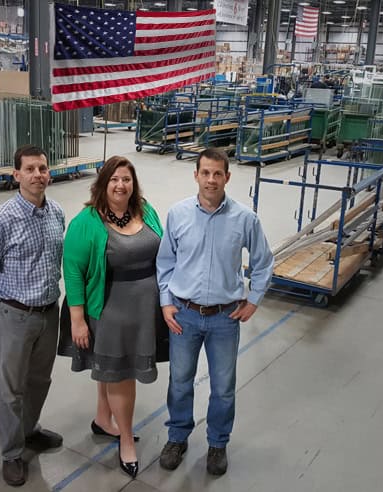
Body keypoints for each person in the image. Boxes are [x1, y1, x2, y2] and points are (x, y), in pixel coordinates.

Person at [156, 147, 274, 476]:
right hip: (184, 314)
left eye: (217, 174)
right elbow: (165, 262)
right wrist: (166, 301)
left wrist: (253, 300)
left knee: (222, 386)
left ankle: (217, 443)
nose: (211, 179)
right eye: (205, 173)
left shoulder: (245, 219)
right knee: (180, 381)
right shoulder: (178, 214)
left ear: (227, 177)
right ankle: (177, 437)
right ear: (196, 175)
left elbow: (264, 262)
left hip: (225, 317)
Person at [61, 155, 167, 479]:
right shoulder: (87, 221)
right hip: (110, 311)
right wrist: (77, 320)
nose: (121, 185)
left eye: (127, 179)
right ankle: (125, 441)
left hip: (144, 310)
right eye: (114, 180)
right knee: (122, 374)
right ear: (103, 184)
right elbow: (74, 271)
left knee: (109, 367)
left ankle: (103, 419)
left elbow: (164, 251)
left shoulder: (145, 210)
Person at [0, 145, 65, 487]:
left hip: (49, 313)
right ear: (16, 175)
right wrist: (7, 308)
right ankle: (12, 452)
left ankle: (29, 430)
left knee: (39, 380)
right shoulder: (0, 221)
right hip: (15, 314)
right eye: (30, 169)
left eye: (42, 168)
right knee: (11, 389)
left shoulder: (57, 213)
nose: (37, 175)